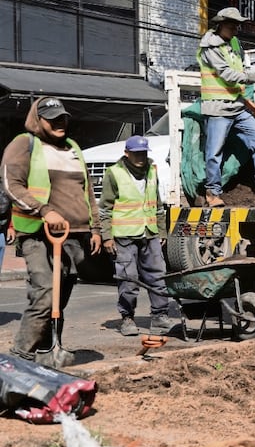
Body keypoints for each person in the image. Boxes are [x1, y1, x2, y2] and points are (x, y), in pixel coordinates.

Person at [1, 97, 102, 365]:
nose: (60, 122)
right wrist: (45, 210)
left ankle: (48, 350)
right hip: (37, 232)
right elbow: (12, 185)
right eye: (53, 118)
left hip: (74, 234)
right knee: (45, 292)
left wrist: (96, 228)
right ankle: (20, 356)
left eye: (63, 117)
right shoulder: (25, 144)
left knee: (60, 297)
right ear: (38, 120)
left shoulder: (73, 147)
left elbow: (87, 191)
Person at [198, 6, 255, 208]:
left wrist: (253, 76)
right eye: (233, 25)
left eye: (238, 25)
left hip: (237, 106)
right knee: (214, 152)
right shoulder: (210, 47)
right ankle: (212, 193)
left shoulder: (234, 43)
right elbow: (227, 74)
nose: (237, 29)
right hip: (217, 108)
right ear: (221, 25)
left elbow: (240, 68)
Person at [99, 135, 177, 337]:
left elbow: (158, 204)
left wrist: (161, 231)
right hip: (124, 235)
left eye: (143, 153)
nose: (141, 157)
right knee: (128, 278)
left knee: (158, 275)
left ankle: (160, 317)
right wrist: (106, 236)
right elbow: (105, 209)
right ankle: (127, 318)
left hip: (149, 233)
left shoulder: (152, 170)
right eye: (136, 154)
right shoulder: (114, 174)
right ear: (127, 153)